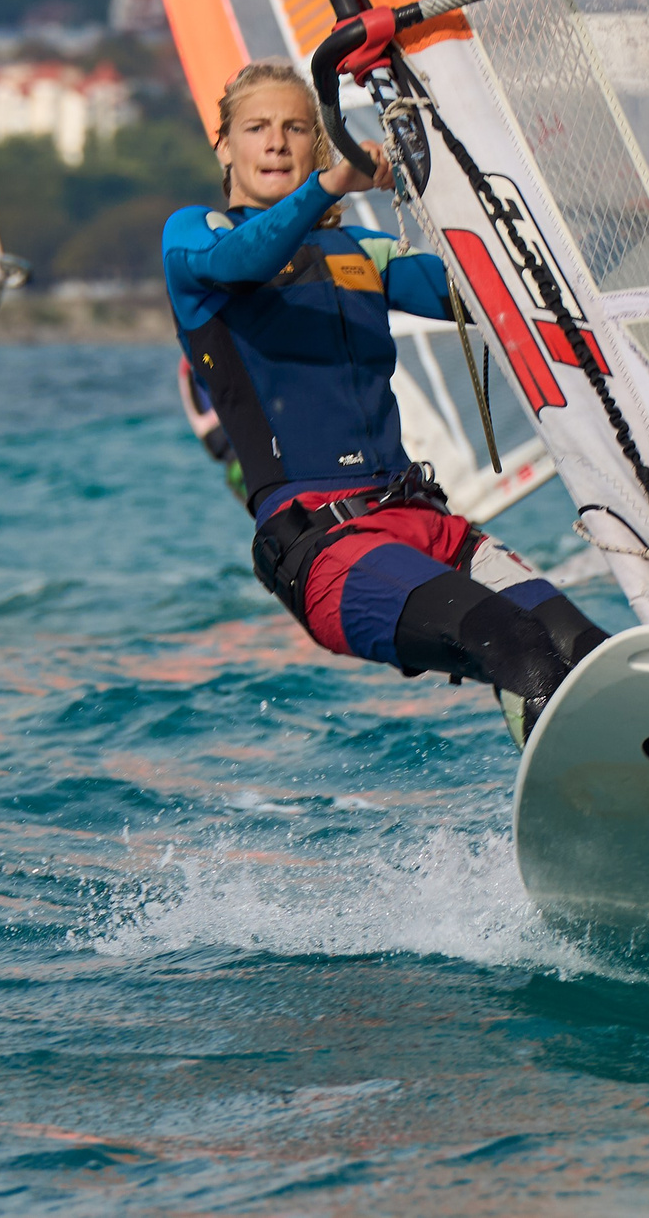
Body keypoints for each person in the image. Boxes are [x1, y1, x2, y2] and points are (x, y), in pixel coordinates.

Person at [163, 63, 606, 744]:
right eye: (257, 128)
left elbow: (486, 291)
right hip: (329, 549)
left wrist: (466, 192)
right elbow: (242, 263)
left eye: (296, 128)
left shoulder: (361, 251)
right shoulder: (196, 237)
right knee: (517, 642)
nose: (277, 142)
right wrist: (334, 183)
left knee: (587, 653)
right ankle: (587, 818)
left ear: (316, 141)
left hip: (425, 524)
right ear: (225, 147)